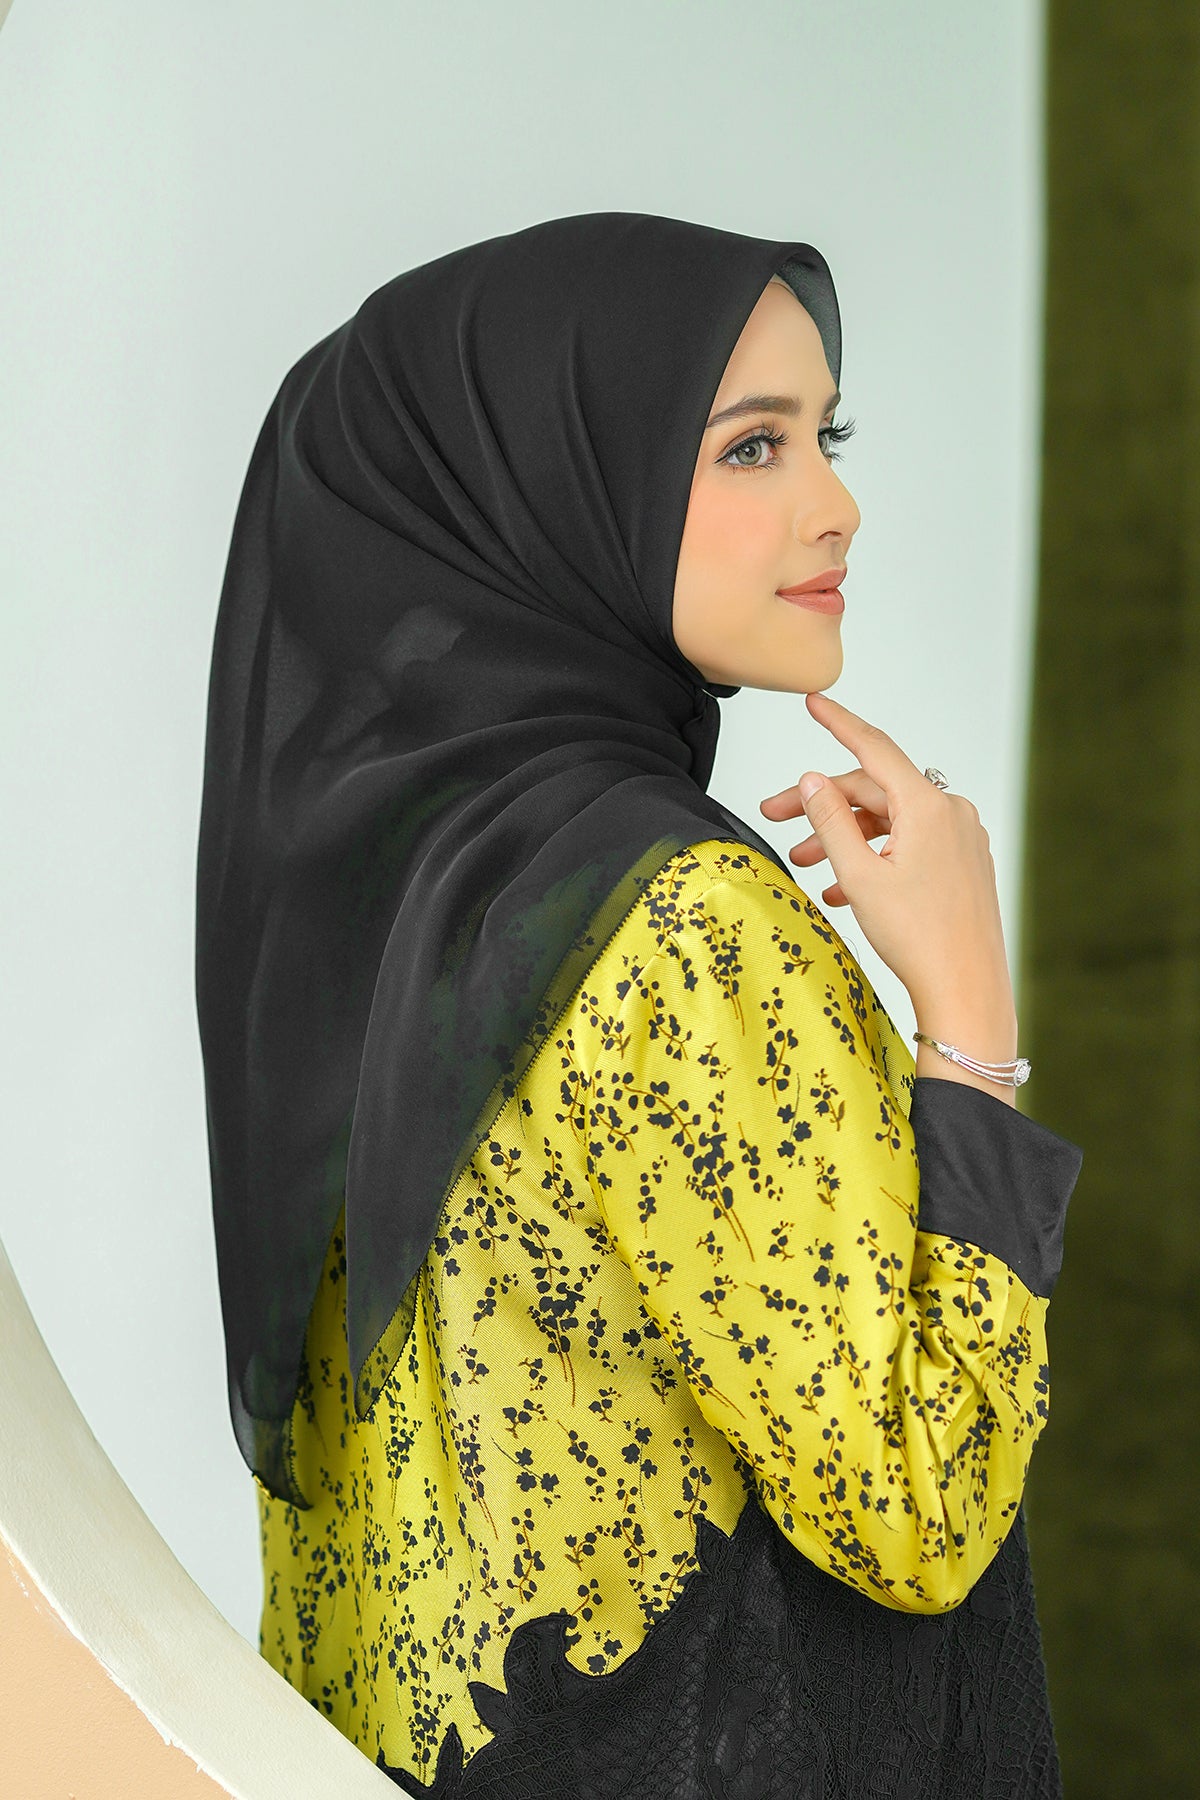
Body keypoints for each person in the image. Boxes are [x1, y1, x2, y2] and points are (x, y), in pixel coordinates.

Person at [195, 213, 1084, 1799]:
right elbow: (917, 1506)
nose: (836, 505)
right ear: (556, 485)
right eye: (750, 446)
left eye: (825, 437)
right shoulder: (678, 920)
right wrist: (967, 1021)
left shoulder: (392, 910)